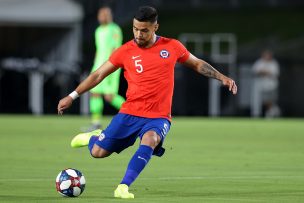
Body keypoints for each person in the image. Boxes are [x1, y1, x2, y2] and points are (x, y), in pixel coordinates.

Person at [57, 6, 237, 199]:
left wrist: (221, 77)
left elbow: (197, 63)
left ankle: (123, 187)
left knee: (150, 139)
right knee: (98, 152)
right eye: (135, 29)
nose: (138, 34)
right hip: (130, 112)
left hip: (158, 117)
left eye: (144, 30)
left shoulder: (172, 46)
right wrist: (72, 95)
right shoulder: (125, 51)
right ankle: (94, 137)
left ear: (155, 27)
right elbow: (98, 74)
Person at [88, 6, 125, 130]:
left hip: (110, 66)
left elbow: (116, 49)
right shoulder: (98, 30)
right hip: (98, 66)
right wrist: (95, 65)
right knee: (95, 93)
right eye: (101, 14)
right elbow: (99, 50)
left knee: (110, 96)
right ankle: (95, 123)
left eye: (105, 14)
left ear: (110, 16)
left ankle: (134, 114)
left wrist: (111, 66)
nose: (103, 17)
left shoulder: (114, 29)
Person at [252, 49, 280, 118]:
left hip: (272, 86)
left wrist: (265, 72)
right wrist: (263, 72)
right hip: (262, 86)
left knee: (270, 100)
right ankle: (273, 111)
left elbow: (275, 73)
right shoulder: (259, 62)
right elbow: (255, 71)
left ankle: (272, 112)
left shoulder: (274, 63)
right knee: (264, 101)